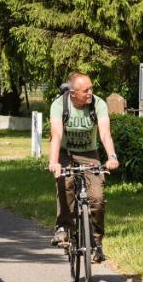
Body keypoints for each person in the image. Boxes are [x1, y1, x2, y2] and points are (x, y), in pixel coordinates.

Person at [47, 72, 119, 263]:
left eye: (91, 88)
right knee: (65, 182)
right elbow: (56, 135)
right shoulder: (59, 105)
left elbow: (105, 134)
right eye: (85, 90)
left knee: (97, 197)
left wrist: (111, 156)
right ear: (72, 93)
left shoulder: (98, 104)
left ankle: (96, 243)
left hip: (89, 154)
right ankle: (63, 227)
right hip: (65, 153)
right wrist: (54, 162)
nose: (90, 93)